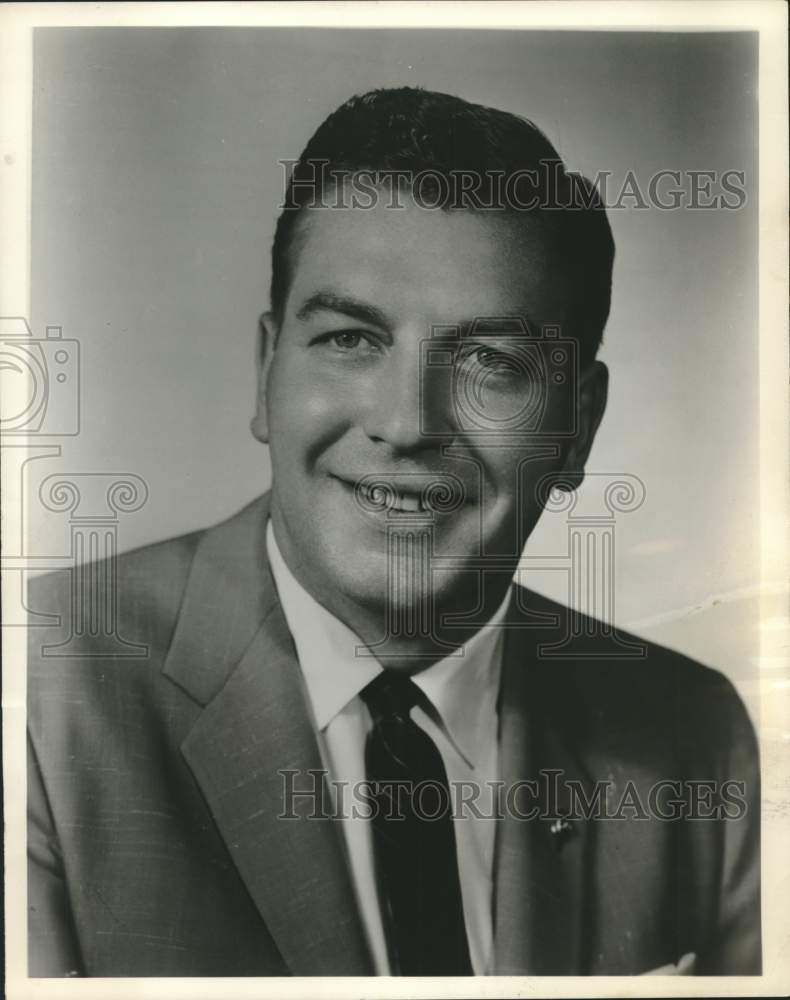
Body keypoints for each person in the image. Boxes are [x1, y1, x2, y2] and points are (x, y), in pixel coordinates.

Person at [27, 87, 760, 977]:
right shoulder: (43, 693)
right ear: (267, 374)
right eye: (349, 339)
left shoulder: (691, 738)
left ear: (577, 426)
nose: (408, 423)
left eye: (491, 362)